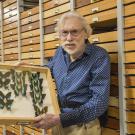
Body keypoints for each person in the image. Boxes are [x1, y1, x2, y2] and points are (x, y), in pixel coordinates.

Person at [33, 11, 110, 135]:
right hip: (57, 121)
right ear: (59, 36)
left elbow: (99, 104)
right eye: (64, 33)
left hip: (83, 126)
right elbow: (47, 71)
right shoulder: (60, 52)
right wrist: (28, 69)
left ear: (86, 34)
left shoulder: (98, 57)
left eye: (74, 32)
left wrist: (59, 119)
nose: (69, 38)